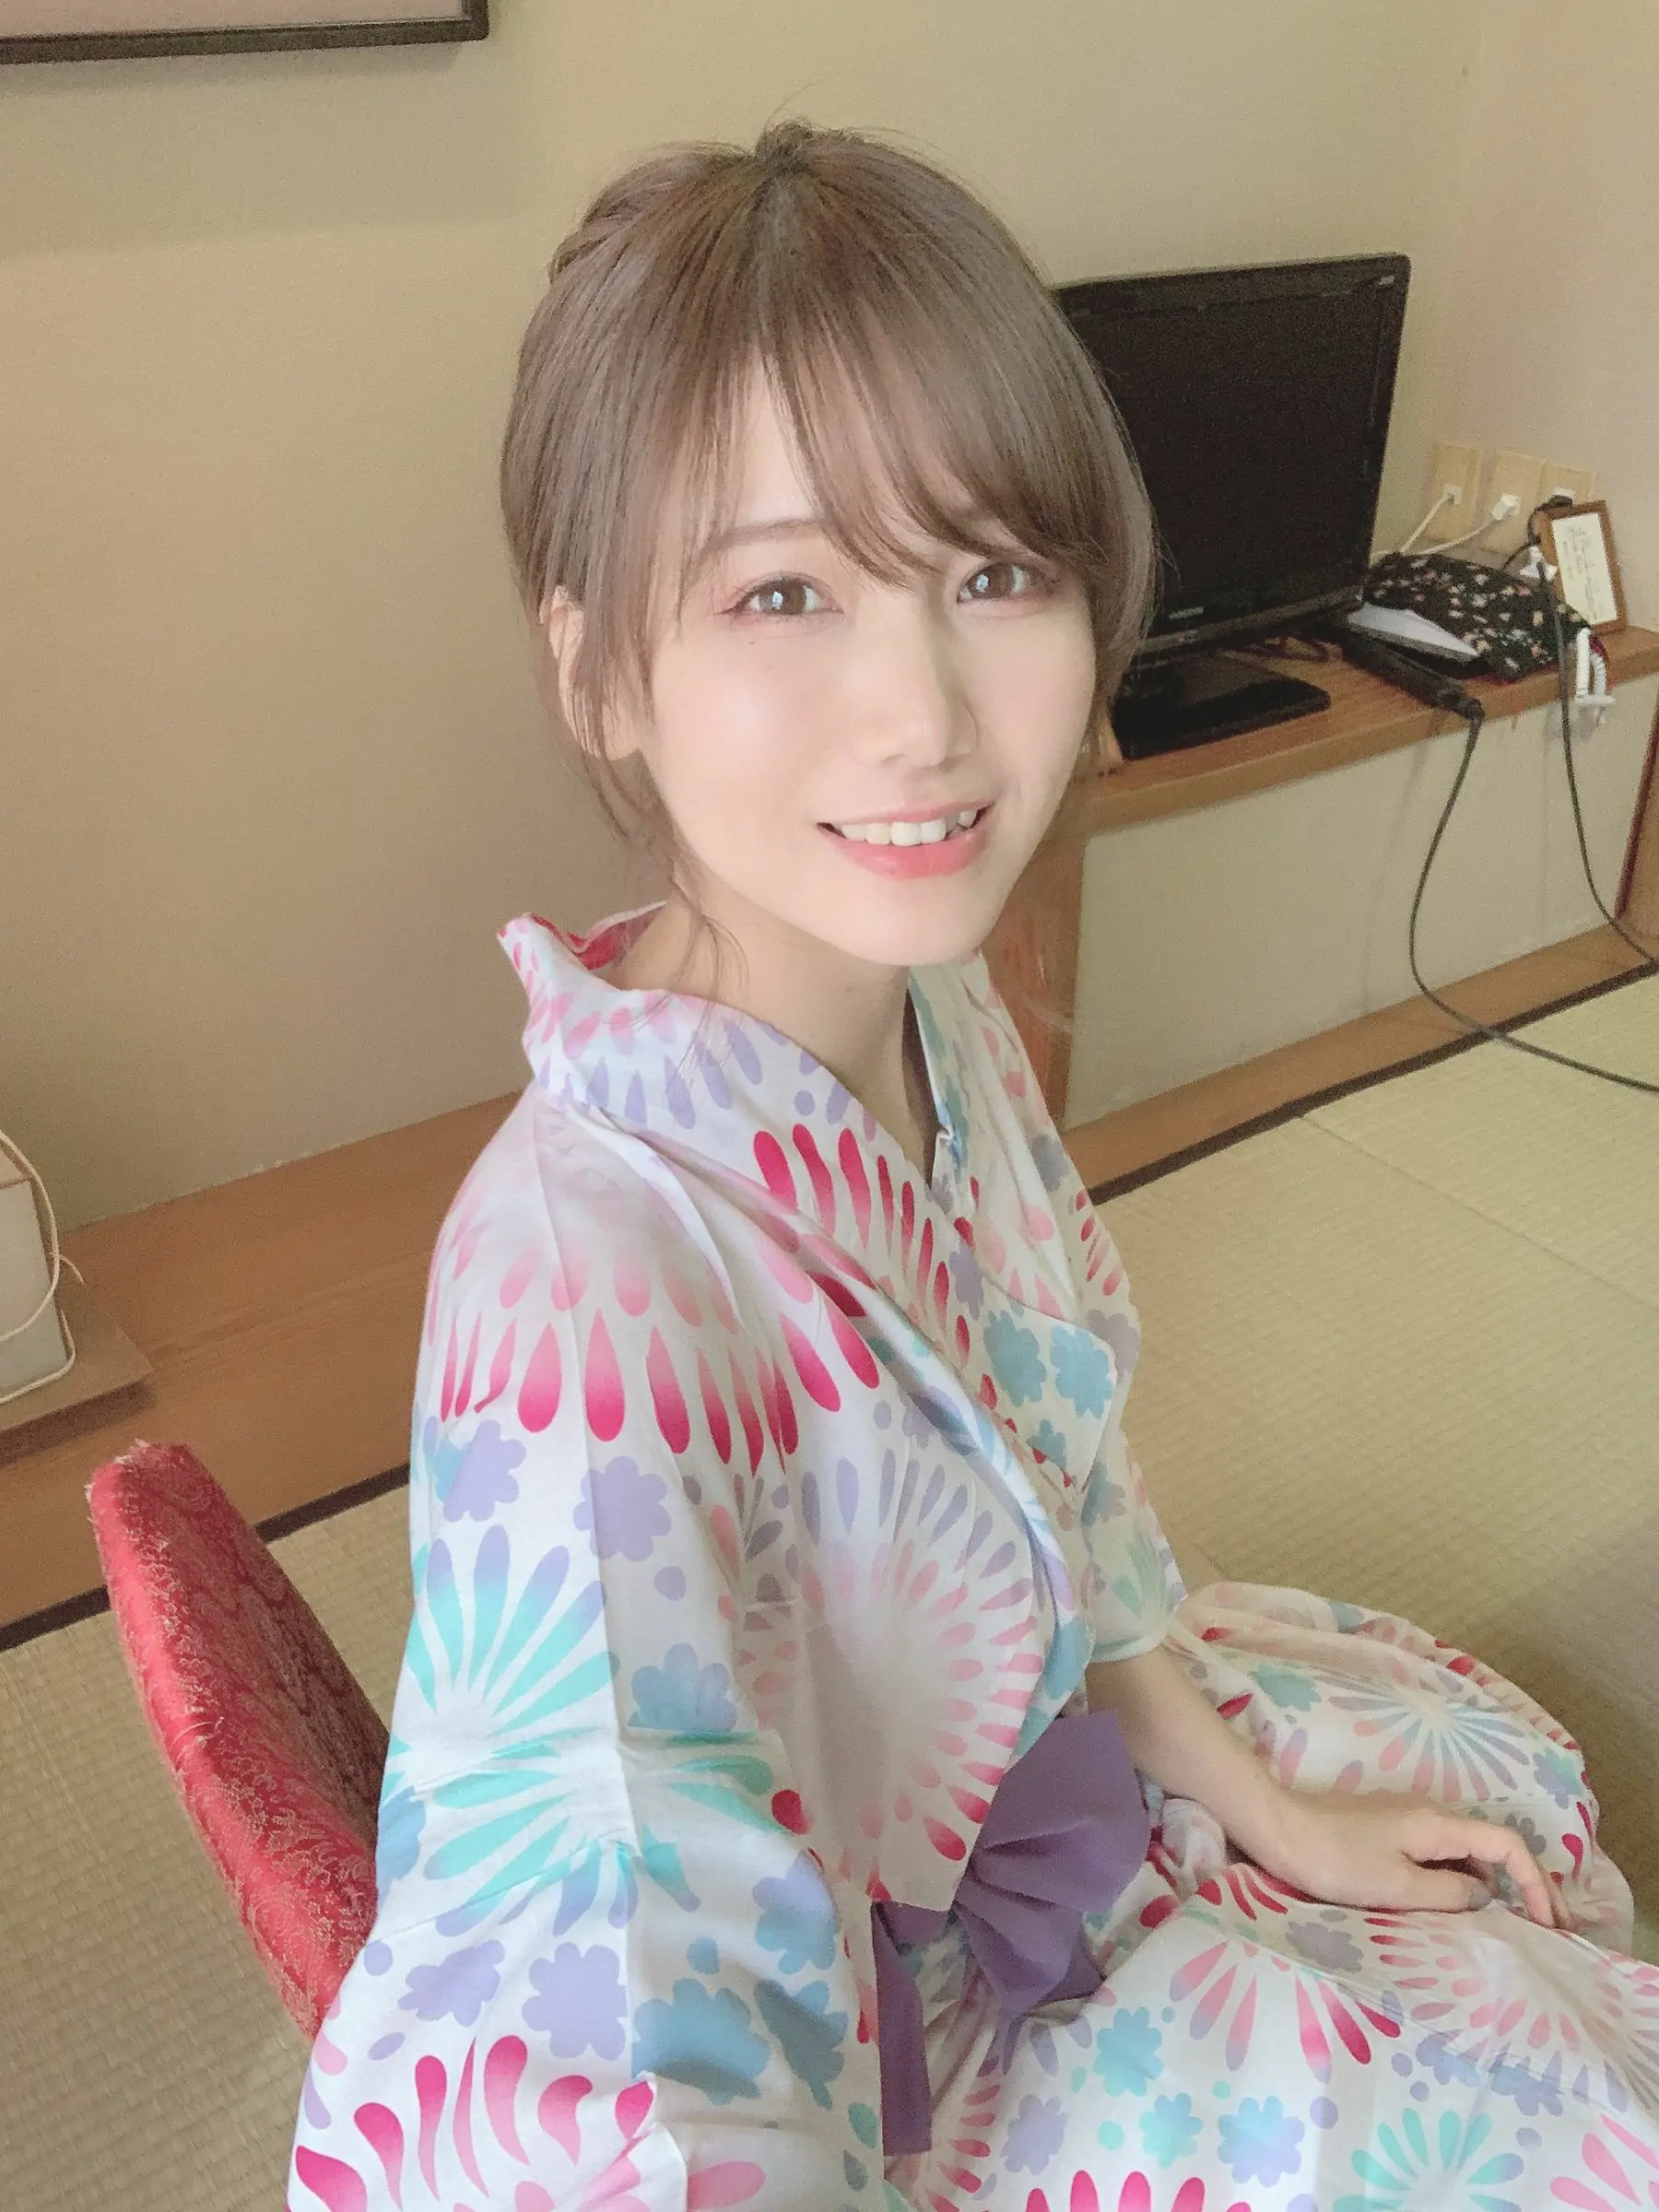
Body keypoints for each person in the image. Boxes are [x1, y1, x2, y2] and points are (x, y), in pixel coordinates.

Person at [287, 121, 1658, 2212]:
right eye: (782, 592)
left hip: (1059, 1779)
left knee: (1508, 1842)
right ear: (597, 669)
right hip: (904, 2076)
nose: (924, 713)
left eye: (996, 573)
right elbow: (599, 2074)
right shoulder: (583, 1297)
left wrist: (1256, 1802)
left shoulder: (933, 1005)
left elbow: (1059, 1476)